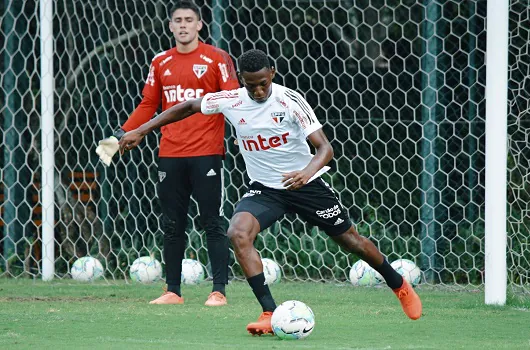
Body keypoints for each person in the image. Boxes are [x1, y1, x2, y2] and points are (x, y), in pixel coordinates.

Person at [118, 49, 422, 334]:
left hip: (306, 185)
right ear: (242, 80)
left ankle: (398, 284)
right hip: (265, 189)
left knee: (350, 240)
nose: (258, 91)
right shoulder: (232, 100)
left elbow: (325, 148)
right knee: (238, 233)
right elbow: (187, 106)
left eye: (263, 83)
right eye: (251, 86)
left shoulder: (290, 100)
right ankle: (269, 313)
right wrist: (141, 130)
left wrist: (306, 172)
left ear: (272, 74)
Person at [95, 1, 240, 307]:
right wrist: (120, 135)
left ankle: (219, 290)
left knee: (211, 221)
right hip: (170, 153)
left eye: (190, 20)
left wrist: (244, 133)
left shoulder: (217, 59)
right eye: (178, 20)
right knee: (172, 223)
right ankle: (172, 290)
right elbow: (148, 105)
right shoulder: (160, 61)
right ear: (171, 26)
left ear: (200, 25)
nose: (184, 25)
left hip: (207, 152)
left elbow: (233, 99)